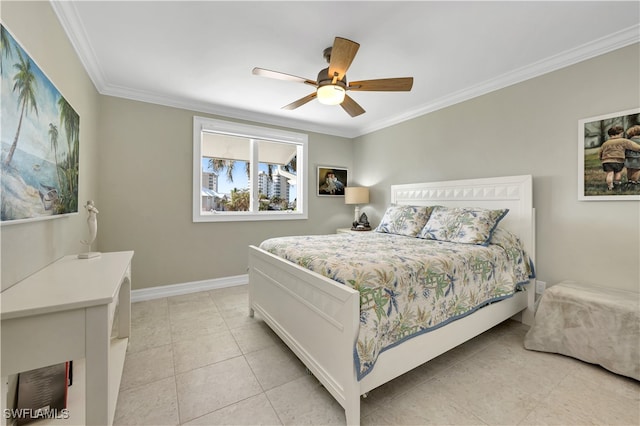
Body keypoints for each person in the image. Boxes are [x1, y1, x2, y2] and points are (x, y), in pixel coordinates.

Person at [599, 126, 640, 190]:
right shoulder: (623, 141)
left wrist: (601, 158)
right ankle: (617, 184)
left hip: (606, 161)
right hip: (618, 160)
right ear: (620, 133)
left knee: (609, 174)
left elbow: (600, 151)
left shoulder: (605, 143)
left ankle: (610, 186)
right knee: (617, 173)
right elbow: (634, 146)